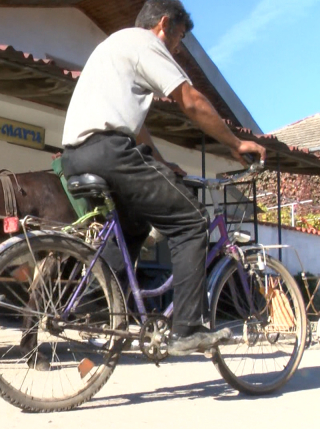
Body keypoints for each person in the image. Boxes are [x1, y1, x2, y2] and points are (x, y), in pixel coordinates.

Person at [61, 0, 266, 355]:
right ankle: (187, 329)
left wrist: (160, 161)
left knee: (133, 224)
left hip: (76, 155)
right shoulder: (147, 44)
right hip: (110, 151)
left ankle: (94, 308)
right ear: (164, 25)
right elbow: (190, 100)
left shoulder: (114, 46)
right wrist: (234, 143)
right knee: (190, 223)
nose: (178, 48)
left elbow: (133, 125)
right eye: (179, 38)